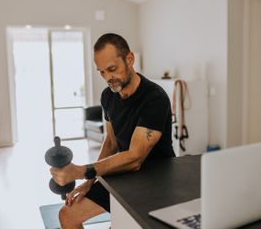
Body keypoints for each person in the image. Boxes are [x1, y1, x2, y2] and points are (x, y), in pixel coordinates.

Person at [50, 33, 175, 229]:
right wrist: (91, 180)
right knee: (67, 215)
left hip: (155, 180)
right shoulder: (108, 96)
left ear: (130, 59)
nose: (108, 77)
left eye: (112, 69)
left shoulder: (155, 99)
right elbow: (111, 141)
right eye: (102, 72)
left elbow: (135, 158)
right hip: (123, 173)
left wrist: (81, 171)